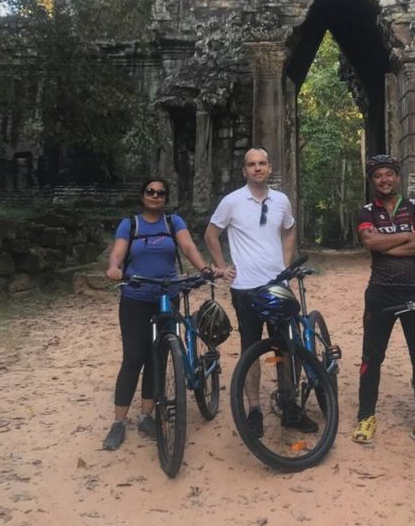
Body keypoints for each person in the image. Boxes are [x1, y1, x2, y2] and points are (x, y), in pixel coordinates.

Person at [102, 177, 222, 451]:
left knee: (158, 357)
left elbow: (188, 247)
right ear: (142, 194)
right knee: (134, 358)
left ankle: (146, 416)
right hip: (135, 297)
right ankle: (118, 423)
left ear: (166, 198)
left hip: (168, 295)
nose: (155, 196)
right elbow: (117, 253)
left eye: (161, 193)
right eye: (150, 191)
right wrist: (113, 267)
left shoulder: (173, 222)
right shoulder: (130, 224)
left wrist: (204, 268)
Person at [204, 146, 316, 436]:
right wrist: (221, 266)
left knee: (286, 347)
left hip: (276, 286)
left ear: (269, 168)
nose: (257, 168)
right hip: (245, 288)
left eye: (262, 163)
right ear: (245, 171)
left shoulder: (281, 201)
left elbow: (290, 229)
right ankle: (254, 409)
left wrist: (285, 264)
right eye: (251, 164)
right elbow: (211, 234)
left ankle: (290, 406)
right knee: (251, 351)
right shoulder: (231, 201)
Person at [352, 154, 415, 450]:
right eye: (378, 176)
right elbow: (370, 242)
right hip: (381, 292)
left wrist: (387, 246)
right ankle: (366, 416)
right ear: (371, 181)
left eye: (389, 174)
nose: (384, 180)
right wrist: (405, 235)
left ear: (397, 177)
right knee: (371, 358)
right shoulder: (366, 211)